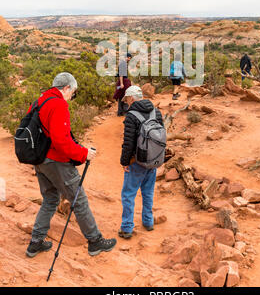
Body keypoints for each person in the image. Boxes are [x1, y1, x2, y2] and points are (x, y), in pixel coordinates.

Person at [26, 72, 116, 258]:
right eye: (72, 92)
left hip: (40, 160)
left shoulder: (40, 100)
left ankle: (36, 242)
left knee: (50, 200)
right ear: (66, 88)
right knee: (79, 200)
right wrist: (84, 153)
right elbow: (61, 141)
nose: (71, 97)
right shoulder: (58, 104)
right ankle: (95, 241)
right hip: (56, 162)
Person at [118, 85, 164, 239]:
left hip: (136, 162)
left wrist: (124, 161)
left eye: (127, 100)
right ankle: (148, 222)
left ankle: (127, 228)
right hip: (153, 160)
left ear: (131, 98)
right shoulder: (156, 112)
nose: (126, 103)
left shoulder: (131, 116)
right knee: (148, 192)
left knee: (128, 194)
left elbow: (128, 142)